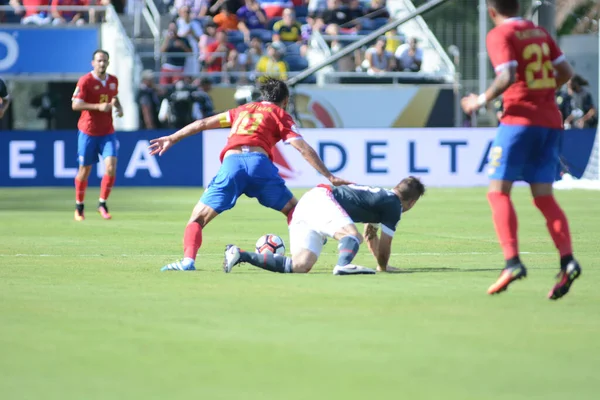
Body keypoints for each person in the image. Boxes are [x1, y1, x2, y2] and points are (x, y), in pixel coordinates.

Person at [149, 78, 352, 271]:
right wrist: (329, 176)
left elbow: (202, 124)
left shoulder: (241, 110)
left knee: (197, 218)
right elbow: (302, 148)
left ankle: (187, 261)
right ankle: (303, 251)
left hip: (232, 165)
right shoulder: (280, 114)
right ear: (285, 100)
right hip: (259, 165)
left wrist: (173, 138)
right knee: (295, 211)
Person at [460, 0, 580, 300]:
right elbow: (565, 72)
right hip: (550, 121)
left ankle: (512, 262)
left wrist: (479, 100)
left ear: (491, 11)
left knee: (498, 191)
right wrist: (540, 91)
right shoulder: (539, 32)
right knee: (544, 197)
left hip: (519, 122)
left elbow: (507, 76)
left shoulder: (500, 34)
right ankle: (567, 259)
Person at [223, 177, 425, 275]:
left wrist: (381, 266)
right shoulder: (394, 206)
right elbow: (385, 244)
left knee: (300, 266)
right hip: (322, 199)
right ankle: (343, 265)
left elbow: (371, 234)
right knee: (351, 236)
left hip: (308, 204)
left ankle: (240, 254)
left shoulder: (382, 198)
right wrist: (383, 267)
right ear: (412, 203)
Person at [71, 50, 123, 221]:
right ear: (92, 62)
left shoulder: (113, 80)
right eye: (99, 61)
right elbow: (75, 105)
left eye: (105, 61)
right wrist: (98, 107)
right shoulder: (85, 81)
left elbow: (113, 97)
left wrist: (118, 107)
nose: (102, 64)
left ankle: (102, 203)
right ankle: (79, 206)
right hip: (88, 132)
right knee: (85, 170)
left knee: (111, 166)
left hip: (107, 131)